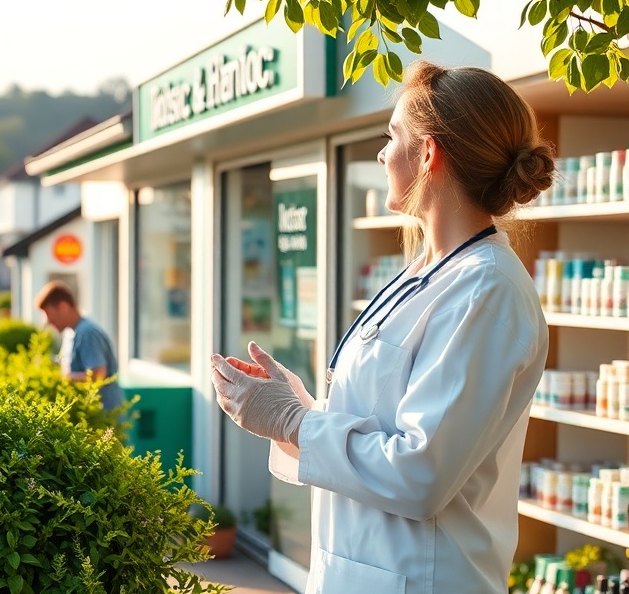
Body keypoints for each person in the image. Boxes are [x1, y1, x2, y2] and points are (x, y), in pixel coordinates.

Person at [211, 61, 556, 593]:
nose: (380, 153)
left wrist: (292, 424)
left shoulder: (487, 292)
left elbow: (420, 471)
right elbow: (381, 422)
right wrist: (297, 407)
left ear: (428, 154)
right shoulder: (426, 271)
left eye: (391, 136)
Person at [35, 280, 122, 411]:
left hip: (103, 419)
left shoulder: (87, 332)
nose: (47, 321)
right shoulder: (70, 332)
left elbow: (97, 376)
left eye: (48, 313)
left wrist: (62, 379)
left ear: (63, 306)